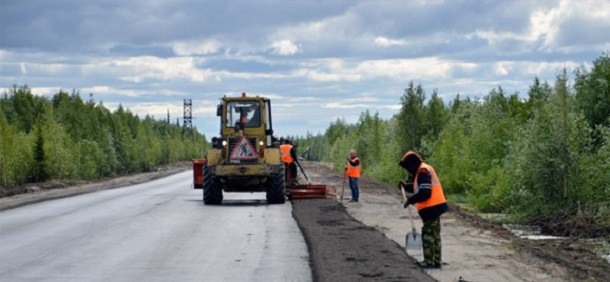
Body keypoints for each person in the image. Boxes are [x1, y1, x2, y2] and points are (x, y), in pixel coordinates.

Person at [399, 151, 448, 269]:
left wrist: (410, 200)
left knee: (428, 234)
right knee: (435, 234)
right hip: (437, 206)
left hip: (431, 207)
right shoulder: (423, 169)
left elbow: (425, 192)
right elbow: (418, 187)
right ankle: (436, 260)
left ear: (412, 164)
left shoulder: (422, 171)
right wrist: (406, 186)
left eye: (408, 167)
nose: (408, 171)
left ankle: (429, 261)